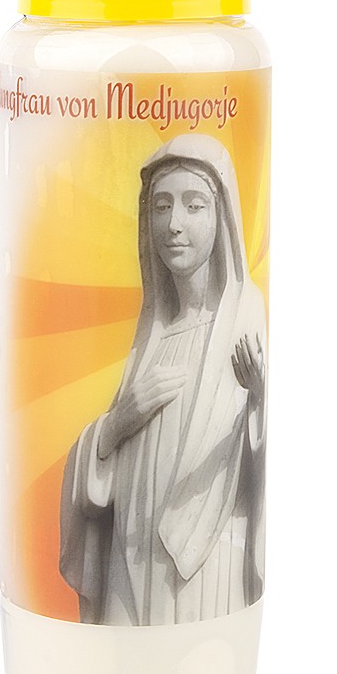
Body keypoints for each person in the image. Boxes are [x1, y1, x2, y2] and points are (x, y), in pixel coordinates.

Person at [60, 134, 266, 626]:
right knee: (121, 668)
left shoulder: (244, 321)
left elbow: (265, 471)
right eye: (161, 206)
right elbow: (100, 473)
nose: (174, 224)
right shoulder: (150, 339)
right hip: (128, 561)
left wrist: (262, 400)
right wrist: (117, 424)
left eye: (194, 206)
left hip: (204, 565)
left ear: (221, 217)